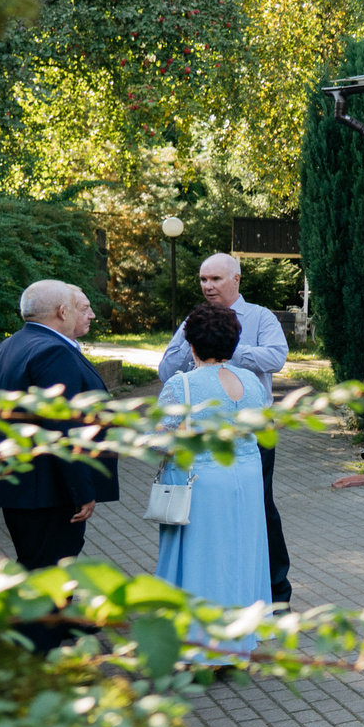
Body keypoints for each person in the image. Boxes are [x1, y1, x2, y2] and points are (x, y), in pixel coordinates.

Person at [0, 279, 118, 652]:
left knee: (45, 562)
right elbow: (64, 428)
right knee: (47, 571)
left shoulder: (2, 349)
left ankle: (62, 628)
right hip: (49, 489)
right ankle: (38, 655)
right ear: (62, 312)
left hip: (17, 483)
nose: (86, 313)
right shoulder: (52, 353)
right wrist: (82, 491)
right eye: (81, 307)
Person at [160, 253, 294, 602]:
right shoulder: (194, 320)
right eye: (203, 279)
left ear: (236, 279)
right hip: (203, 437)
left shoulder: (260, 317)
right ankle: (223, 590)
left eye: (215, 279)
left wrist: (227, 349)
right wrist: (194, 345)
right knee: (211, 520)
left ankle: (276, 588)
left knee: (260, 507)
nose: (208, 286)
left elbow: (276, 357)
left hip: (250, 433)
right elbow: (165, 369)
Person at [152, 302, 273, 652]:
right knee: (240, 555)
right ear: (233, 343)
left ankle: (197, 646)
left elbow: (162, 443)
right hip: (247, 478)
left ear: (191, 344)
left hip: (201, 482)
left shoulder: (182, 385)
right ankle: (237, 641)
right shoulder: (250, 381)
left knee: (201, 560)